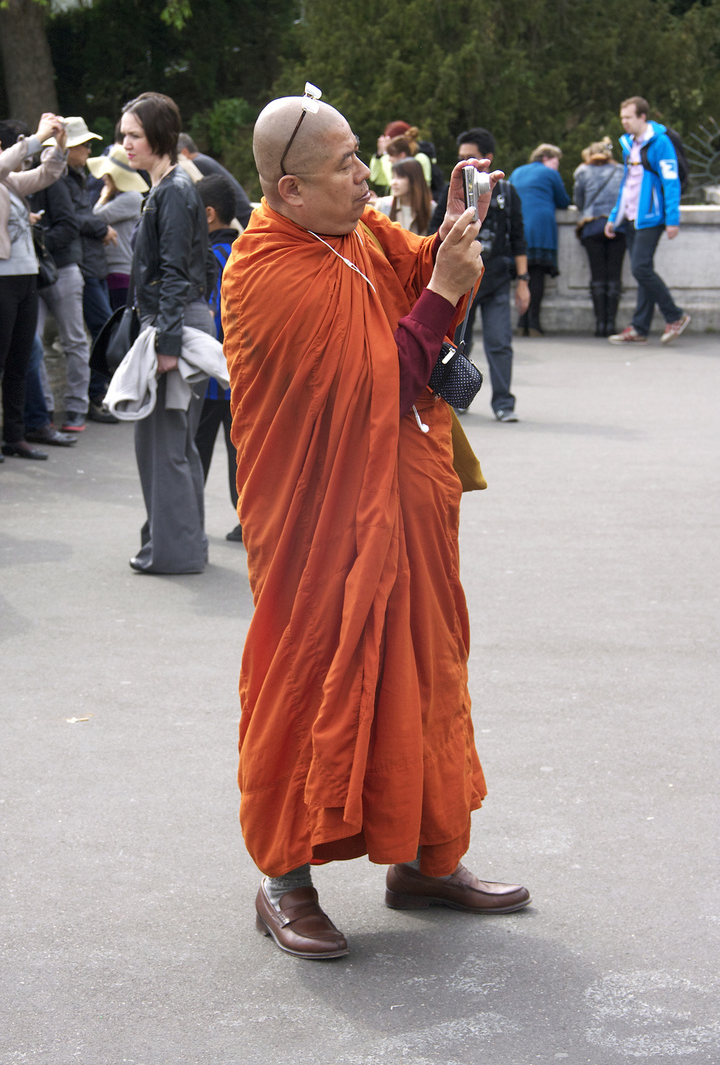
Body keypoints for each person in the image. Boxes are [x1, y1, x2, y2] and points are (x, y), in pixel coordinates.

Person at [222, 90, 531, 961]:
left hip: (403, 501)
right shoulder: (264, 271)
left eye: (361, 155)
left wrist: (456, 233)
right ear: (288, 189)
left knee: (427, 674)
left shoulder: (356, 232)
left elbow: (415, 275)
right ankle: (284, 879)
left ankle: (429, 861)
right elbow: (376, 385)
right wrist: (441, 294)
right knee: (308, 678)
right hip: (320, 526)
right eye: (344, 166)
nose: (367, 177)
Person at [121, 91, 215, 574]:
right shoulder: (170, 187)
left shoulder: (173, 190)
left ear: (158, 134)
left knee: (165, 443)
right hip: (175, 322)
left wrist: (168, 342)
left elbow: (178, 272)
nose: (125, 144)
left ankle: (174, 552)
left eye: (133, 135)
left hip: (173, 325)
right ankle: (177, 545)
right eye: (124, 136)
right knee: (173, 443)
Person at [431, 128, 529, 422]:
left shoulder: (507, 193)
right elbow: (433, 234)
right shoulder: (452, 194)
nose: (465, 165)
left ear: (488, 159)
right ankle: (457, 397)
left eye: (471, 158)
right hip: (462, 279)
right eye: (460, 158)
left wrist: (523, 283)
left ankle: (503, 403)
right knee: (459, 341)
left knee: (499, 342)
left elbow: (519, 239)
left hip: (496, 277)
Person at [0, 113, 67, 463]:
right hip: (2, 280)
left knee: (19, 359)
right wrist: (37, 136)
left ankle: (14, 435)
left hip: (26, 277)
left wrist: (56, 146)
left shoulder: (8, 183)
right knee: (2, 359)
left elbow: (45, 175)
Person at [51, 117, 119, 430]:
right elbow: (75, 219)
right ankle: (92, 398)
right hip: (78, 267)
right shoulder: (62, 178)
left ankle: (95, 396)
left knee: (100, 331)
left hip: (89, 265)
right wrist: (100, 226)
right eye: (83, 144)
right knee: (101, 331)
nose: (89, 149)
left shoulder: (76, 176)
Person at [605, 96, 690, 345]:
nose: (624, 122)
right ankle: (640, 328)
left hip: (652, 216)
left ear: (643, 117)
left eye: (629, 117)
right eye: (622, 118)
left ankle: (675, 316)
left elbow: (670, 181)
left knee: (640, 268)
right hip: (631, 216)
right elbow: (627, 184)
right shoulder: (628, 144)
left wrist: (673, 219)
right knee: (643, 272)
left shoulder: (660, 142)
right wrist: (614, 217)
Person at [194, 174, 242, 541]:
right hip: (243, 374)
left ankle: (188, 517)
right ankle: (250, 522)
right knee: (242, 453)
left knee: (195, 449)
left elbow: (212, 316)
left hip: (212, 374)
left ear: (208, 215)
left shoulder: (210, 258)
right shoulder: (243, 252)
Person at [509, 143, 570, 336]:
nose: (557, 165)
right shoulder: (550, 173)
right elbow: (564, 201)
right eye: (556, 161)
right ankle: (534, 323)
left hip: (518, 226)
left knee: (522, 274)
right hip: (541, 228)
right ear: (546, 158)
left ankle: (521, 321)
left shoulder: (517, 172)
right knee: (536, 273)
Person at [573, 140, 626, 337]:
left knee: (597, 275)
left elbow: (578, 201)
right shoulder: (621, 170)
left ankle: (599, 325)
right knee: (614, 275)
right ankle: (611, 324)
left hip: (592, 227)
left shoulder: (582, 171)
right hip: (618, 226)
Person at [88, 144, 147, 310]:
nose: (103, 179)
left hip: (122, 272)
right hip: (114, 270)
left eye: (107, 175)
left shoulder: (132, 197)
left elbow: (96, 216)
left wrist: (103, 196)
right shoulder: (120, 197)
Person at [177, 133, 253, 229]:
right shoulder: (203, 160)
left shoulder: (196, 164)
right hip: (245, 217)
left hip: (240, 221)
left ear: (184, 152)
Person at [373, 158, 435, 235]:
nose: (393, 183)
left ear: (414, 179)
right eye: (393, 177)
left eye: (400, 177)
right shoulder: (384, 206)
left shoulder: (431, 209)